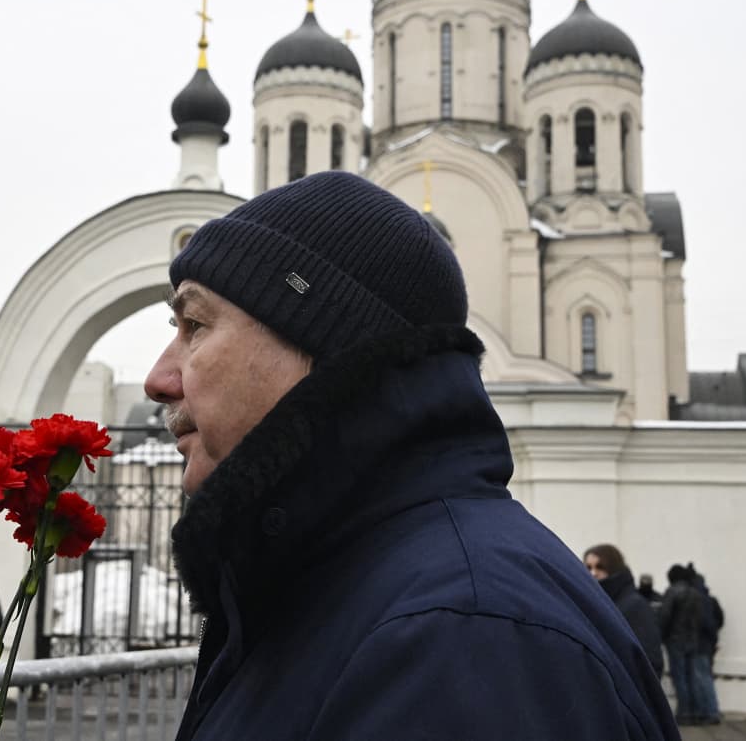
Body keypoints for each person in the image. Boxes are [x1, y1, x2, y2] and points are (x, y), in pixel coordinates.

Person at [144, 172, 680, 740]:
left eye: (195, 325)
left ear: (326, 342)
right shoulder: (340, 585)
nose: (158, 379)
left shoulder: (465, 635)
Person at [584, 544, 664, 677]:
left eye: (600, 567)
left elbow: (649, 660)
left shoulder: (634, 604)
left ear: (613, 568)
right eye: (588, 568)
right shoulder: (597, 602)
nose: (593, 573)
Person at [659, 563, 704, 725]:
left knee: (680, 678)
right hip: (693, 640)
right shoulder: (695, 593)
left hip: (676, 640)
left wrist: (661, 635)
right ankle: (697, 712)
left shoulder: (672, 592)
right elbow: (700, 619)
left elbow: (665, 616)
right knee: (692, 677)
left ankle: (684, 713)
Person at [689, 564, 724, 725]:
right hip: (708, 644)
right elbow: (719, 620)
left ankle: (710, 712)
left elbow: (705, 623)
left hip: (700, 644)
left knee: (703, 678)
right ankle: (709, 711)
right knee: (705, 677)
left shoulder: (698, 600)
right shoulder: (711, 600)